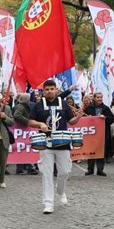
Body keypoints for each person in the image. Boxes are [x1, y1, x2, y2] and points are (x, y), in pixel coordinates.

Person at [28, 79, 83, 214]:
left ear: (56, 90)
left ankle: (60, 190)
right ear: (43, 91)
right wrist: (40, 124)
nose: (49, 91)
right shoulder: (38, 105)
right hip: (45, 143)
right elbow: (30, 121)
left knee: (65, 172)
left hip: (62, 143)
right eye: (47, 89)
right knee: (46, 174)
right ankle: (48, 203)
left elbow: (71, 121)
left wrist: (79, 116)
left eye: (52, 89)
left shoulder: (64, 104)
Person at [84, 92, 114, 176]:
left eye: (101, 97)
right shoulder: (89, 108)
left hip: (103, 134)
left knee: (101, 151)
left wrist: (105, 118)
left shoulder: (106, 108)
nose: (100, 99)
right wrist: (88, 118)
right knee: (91, 151)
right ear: (94, 98)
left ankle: (100, 169)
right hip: (91, 134)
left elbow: (112, 119)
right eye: (98, 97)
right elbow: (82, 119)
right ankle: (90, 169)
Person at [13, 93, 38, 175]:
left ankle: (27, 167)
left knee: (25, 148)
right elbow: (17, 115)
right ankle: (20, 168)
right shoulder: (20, 107)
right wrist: (27, 121)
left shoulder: (22, 106)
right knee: (21, 148)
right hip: (21, 130)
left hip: (23, 130)